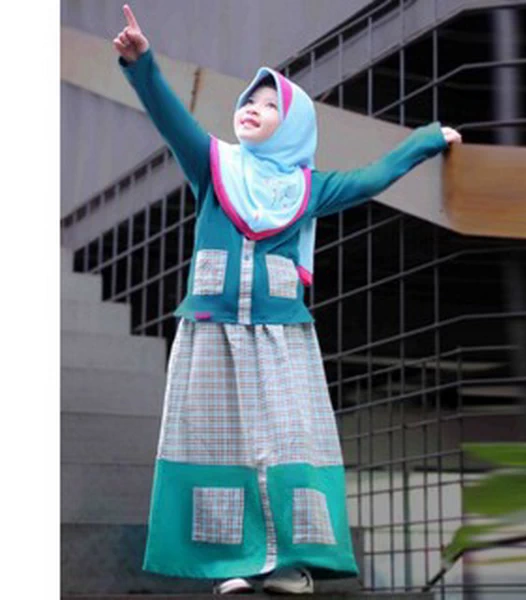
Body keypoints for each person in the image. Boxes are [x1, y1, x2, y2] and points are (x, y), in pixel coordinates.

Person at [113, 4, 462, 596]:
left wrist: (427, 140)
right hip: (212, 333)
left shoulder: (308, 188)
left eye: (270, 104)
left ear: (293, 125)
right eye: (249, 100)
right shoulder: (216, 167)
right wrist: (142, 64)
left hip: (282, 339)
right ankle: (230, 565)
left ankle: (290, 565)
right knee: (218, 449)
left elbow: (372, 178)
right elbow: (171, 120)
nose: (253, 107)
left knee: (287, 447)